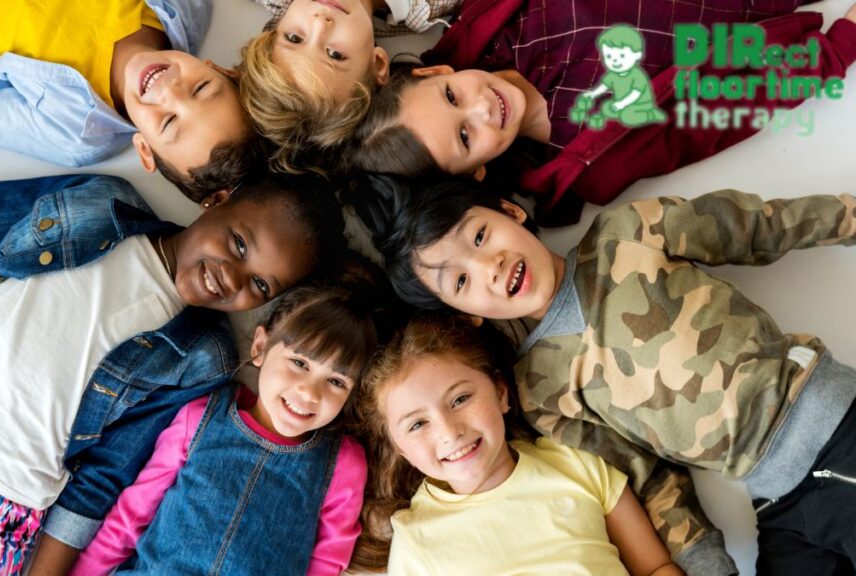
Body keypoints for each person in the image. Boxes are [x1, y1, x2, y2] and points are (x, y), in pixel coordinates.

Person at [0, 139, 347, 574]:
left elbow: (106, 472)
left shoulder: (202, 355)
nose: (232, 278)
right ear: (217, 200)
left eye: (260, 283)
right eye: (238, 243)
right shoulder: (97, 202)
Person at [359, 175, 856, 574]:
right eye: (461, 281)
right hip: (775, 496)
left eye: (481, 236)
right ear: (464, 313)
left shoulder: (629, 233)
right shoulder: (541, 390)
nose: (489, 266)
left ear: (511, 212)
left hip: (833, 430)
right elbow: (647, 476)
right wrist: (703, 560)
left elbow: (757, 226)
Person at [347, 1, 856, 225]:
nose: (482, 106)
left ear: (434, 75)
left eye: (453, 99)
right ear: (476, 172)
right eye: (465, 137)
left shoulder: (495, 22)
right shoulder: (588, 157)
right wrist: (833, 53)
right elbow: (722, 114)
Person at [70, 279, 385, 575]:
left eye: (335, 381)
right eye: (299, 363)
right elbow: (131, 515)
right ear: (260, 346)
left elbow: (328, 561)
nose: (309, 392)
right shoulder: (200, 417)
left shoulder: (342, 463)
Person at [0, 0, 260, 204]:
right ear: (221, 69)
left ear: (144, 149)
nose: (167, 91)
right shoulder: (186, 6)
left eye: (167, 123)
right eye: (202, 89)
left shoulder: (76, 131)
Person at [355, 313, 684, 575]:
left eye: (460, 399)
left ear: (500, 393)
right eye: (417, 424)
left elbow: (655, 567)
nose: (448, 431)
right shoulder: (414, 541)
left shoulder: (576, 463)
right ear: (400, 448)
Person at [237, 0, 461, 174]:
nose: (320, 23)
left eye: (294, 38)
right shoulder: (428, 5)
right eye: (335, 55)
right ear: (378, 64)